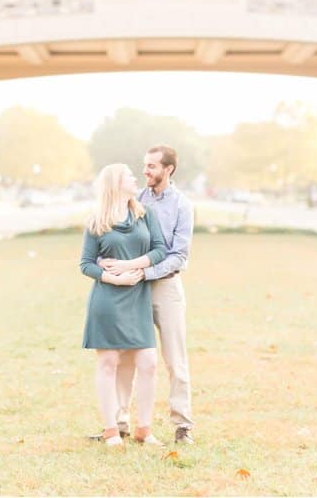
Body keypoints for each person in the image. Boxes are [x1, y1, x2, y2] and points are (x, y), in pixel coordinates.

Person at [99, 144, 196, 445]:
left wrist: (145, 272)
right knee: (127, 355)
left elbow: (179, 255)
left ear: (168, 170)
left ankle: (182, 425)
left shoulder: (182, 206)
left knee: (174, 359)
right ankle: (119, 422)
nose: (145, 171)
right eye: (144, 165)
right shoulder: (136, 199)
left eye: (152, 166)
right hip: (134, 287)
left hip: (166, 286)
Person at [80, 163, 167, 447]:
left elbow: (159, 250)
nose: (135, 178)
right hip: (107, 299)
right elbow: (86, 264)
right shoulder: (96, 221)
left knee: (149, 363)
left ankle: (144, 428)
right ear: (115, 183)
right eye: (129, 175)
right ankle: (111, 430)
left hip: (138, 297)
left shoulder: (144, 214)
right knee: (108, 362)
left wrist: (131, 266)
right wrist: (113, 279)